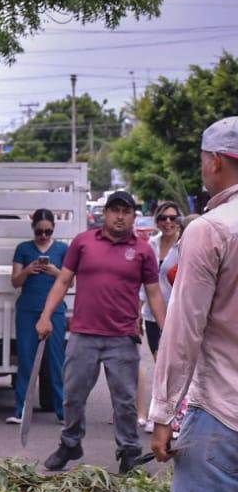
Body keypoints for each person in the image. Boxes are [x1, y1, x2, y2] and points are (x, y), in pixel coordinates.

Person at [86, 117, 238, 492]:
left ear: (218, 162)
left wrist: (163, 414)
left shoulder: (211, 230)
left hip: (221, 414)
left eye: (203, 158)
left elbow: (182, 332)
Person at [35, 190, 167, 474]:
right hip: (84, 333)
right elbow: (62, 282)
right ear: (105, 213)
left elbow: (154, 294)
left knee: (125, 400)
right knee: (72, 395)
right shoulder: (83, 242)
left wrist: (166, 330)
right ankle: (70, 443)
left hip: (122, 337)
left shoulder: (143, 250)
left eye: (126, 211)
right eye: (115, 210)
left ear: (134, 216)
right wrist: (46, 315)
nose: (120, 216)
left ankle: (129, 451)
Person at [7, 209, 68, 425]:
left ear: (53, 229)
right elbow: (15, 281)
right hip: (27, 310)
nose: (43, 236)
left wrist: (54, 272)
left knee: (56, 361)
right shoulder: (23, 249)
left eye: (48, 232)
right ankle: (20, 409)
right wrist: (28, 270)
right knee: (26, 360)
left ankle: (62, 410)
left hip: (55, 311)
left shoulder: (62, 249)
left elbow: (71, 280)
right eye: (39, 231)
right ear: (33, 228)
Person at [141, 201, 184, 358]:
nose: (168, 222)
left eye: (173, 218)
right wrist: (137, 312)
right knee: (158, 362)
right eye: (163, 218)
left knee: (174, 364)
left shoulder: (185, 245)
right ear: (157, 221)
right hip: (151, 314)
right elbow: (143, 282)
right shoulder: (150, 244)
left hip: (177, 315)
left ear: (179, 221)